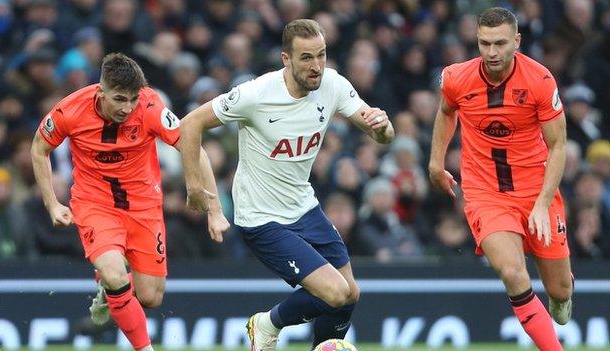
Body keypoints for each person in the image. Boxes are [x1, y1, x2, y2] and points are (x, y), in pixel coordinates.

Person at [179, 19, 394, 350]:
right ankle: (266, 324)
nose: (317, 66)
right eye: (306, 58)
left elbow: (382, 134)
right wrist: (197, 190)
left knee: (349, 293)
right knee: (334, 292)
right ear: (286, 59)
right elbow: (191, 123)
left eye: (321, 55)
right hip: (261, 217)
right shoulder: (255, 94)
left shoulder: (332, 84)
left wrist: (382, 126)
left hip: (304, 207)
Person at [30, 53, 229, 351]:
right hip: (94, 203)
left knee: (150, 297)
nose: (127, 108)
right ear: (101, 92)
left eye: (132, 99)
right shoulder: (69, 110)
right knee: (114, 273)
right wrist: (52, 204)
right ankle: (142, 344)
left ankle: (111, 292)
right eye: (120, 99)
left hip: (143, 206)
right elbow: (38, 148)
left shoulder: (149, 107)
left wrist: (214, 210)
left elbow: (192, 145)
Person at [428, 8, 572, 351]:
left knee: (560, 293)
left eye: (500, 44)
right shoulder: (456, 78)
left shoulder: (539, 80)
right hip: (485, 193)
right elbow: (446, 112)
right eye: (484, 43)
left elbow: (558, 145)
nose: (491, 52)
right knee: (512, 273)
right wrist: (435, 162)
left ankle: (560, 296)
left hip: (537, 190)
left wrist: (540, 203)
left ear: (517, 42)